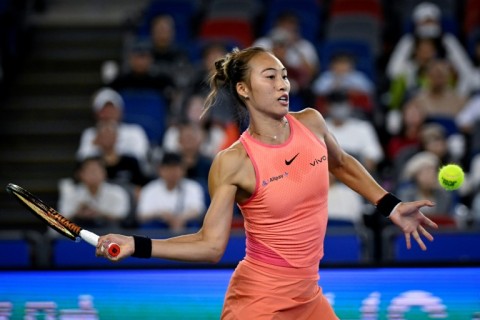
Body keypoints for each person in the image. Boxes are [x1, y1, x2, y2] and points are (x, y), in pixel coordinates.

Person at [96, 47, 438, 319]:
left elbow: (342, 164)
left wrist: (390, 205)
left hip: (308, 295)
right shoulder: (233, 162)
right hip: (259, 299)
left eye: (285, 77)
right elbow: (210, 245)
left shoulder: (312, 123)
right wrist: (137, 245)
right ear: (243, 89)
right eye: (271, 76)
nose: (283, 85)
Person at [76, 88, 150, 166]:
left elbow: (140, 159)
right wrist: (101, 147)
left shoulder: (135, 131)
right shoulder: (90, 134)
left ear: (120, 111)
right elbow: (81, 161)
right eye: (104, 109)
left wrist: (111, 149)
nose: (109, 113)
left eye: (112, 109)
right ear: (96, 113)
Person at [136, 152, 206, 233]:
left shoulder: (193, 187)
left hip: (185, 228)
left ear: (183, 170)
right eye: (168, 168)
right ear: (160, 170)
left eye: (176, 168)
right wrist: (162, 215)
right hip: (158, 230)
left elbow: (198, 209)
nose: (172, 172)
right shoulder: (150, 189)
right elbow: (141, 214)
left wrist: (181, 218)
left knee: (193, 225)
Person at [58, 156, 131, 228]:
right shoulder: (72, 192)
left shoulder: (117, 192)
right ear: (81, 174)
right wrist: (78, 213)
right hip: (80, 230)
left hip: (110, 231)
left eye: (96, 171)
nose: (93, 175)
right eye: (89, 171)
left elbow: (121, 215)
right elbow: (62, 217)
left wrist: (99, 213)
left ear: (104, 173)